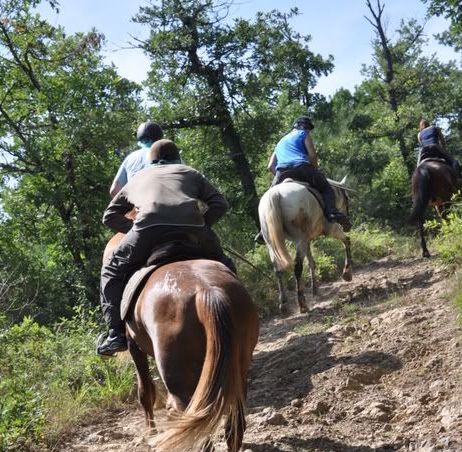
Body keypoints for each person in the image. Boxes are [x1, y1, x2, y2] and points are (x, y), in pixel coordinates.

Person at [97, 139, 235, 356]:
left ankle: (116, 334)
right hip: (193, 227)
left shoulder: (138, 178)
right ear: (176, 157)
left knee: (111, 271)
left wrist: (134, 227)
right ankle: (236, 312)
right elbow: (220, 204)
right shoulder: (189, 171)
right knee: (225, 263)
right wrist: (201, 224)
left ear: (151, 161)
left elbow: (109, 216)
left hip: (148, 230)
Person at [267, 116, 350, 229]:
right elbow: (312, 156)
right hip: (302, 168)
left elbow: (270, 166)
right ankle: (332, 213)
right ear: (303, 127)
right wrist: (315, 172)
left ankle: (265, 228)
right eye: (308, 128)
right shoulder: (303, 134)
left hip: (282, 172)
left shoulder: (280, 141)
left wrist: (280, 177)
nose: (308, 130)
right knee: (326, 187)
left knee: (268, 199)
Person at [109, 120, 164, 197]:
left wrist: (129, 206)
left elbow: (114, 190)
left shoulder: (130, 158)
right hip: (165, 206)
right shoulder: (171, 155)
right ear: (160, 138)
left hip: (136, 207)